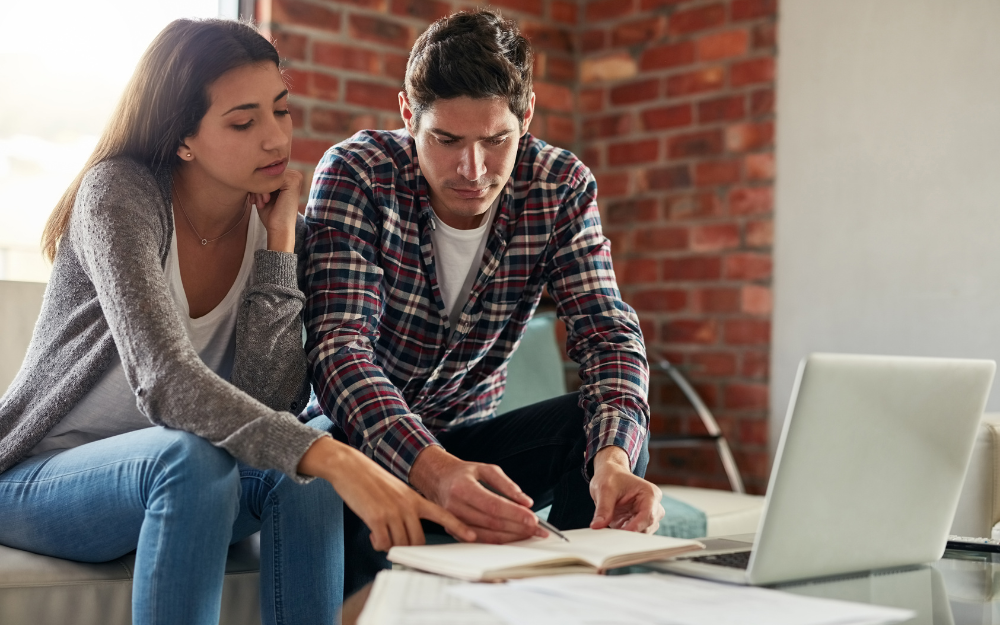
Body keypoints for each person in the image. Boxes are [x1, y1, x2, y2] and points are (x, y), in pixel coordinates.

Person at [0, 18, 471, 625]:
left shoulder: (278, 230)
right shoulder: (118, 196)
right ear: (182, 139)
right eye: (244, 123)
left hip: (191, 480)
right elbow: (164, 381)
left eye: (281, 111)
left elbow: (269, 405)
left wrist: (277, 250)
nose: (276, 139)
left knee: (303, 454)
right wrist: (336, 457)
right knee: (208, 456)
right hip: (43, 480)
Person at [303, 8, 666, 594]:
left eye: (496, 140)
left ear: (526, 117)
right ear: (407, 115)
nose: (473, 170)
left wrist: (614, 460)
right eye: (446, 140)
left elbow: (608, 335)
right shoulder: (358, 174)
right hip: (366, 446)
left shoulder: (559, 185)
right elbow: (338, 351)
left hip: (474, 442)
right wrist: (434, 469)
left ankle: (567, 603)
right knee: (332, 449)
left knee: (602, 429)